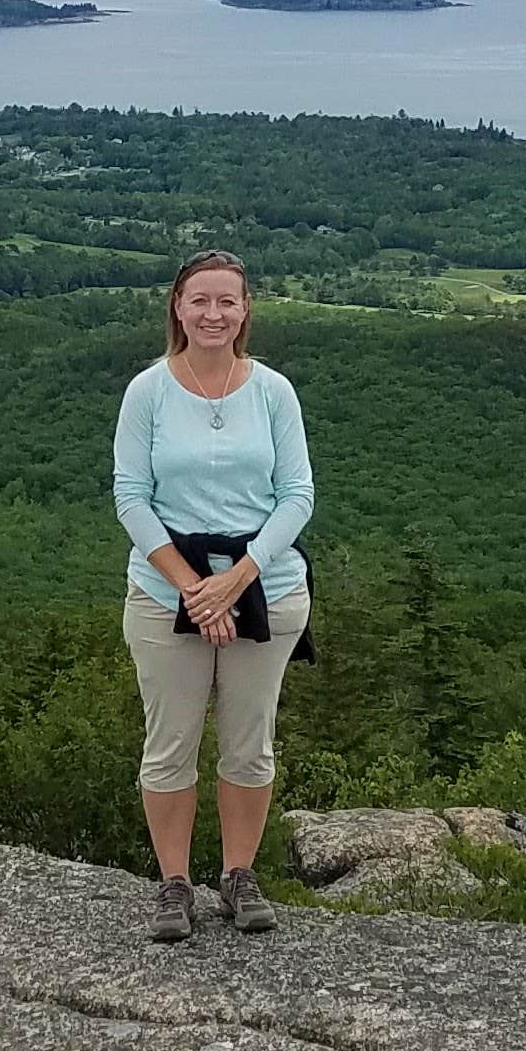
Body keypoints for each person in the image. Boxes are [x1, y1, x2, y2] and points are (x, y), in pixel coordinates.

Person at [113, 249, 314, 942]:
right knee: (169, 744)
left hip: (268, 587)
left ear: (245, 309)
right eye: (200, 300)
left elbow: (297, 496)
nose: (213, 314)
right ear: (177, 307)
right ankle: (174, 884)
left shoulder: (272, 391)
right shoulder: (148, 391)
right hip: (166, 589)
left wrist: (238, 576)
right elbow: (130, 497)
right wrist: (194, 588)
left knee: (249, 745)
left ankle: (238, 873)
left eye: (227, 301)